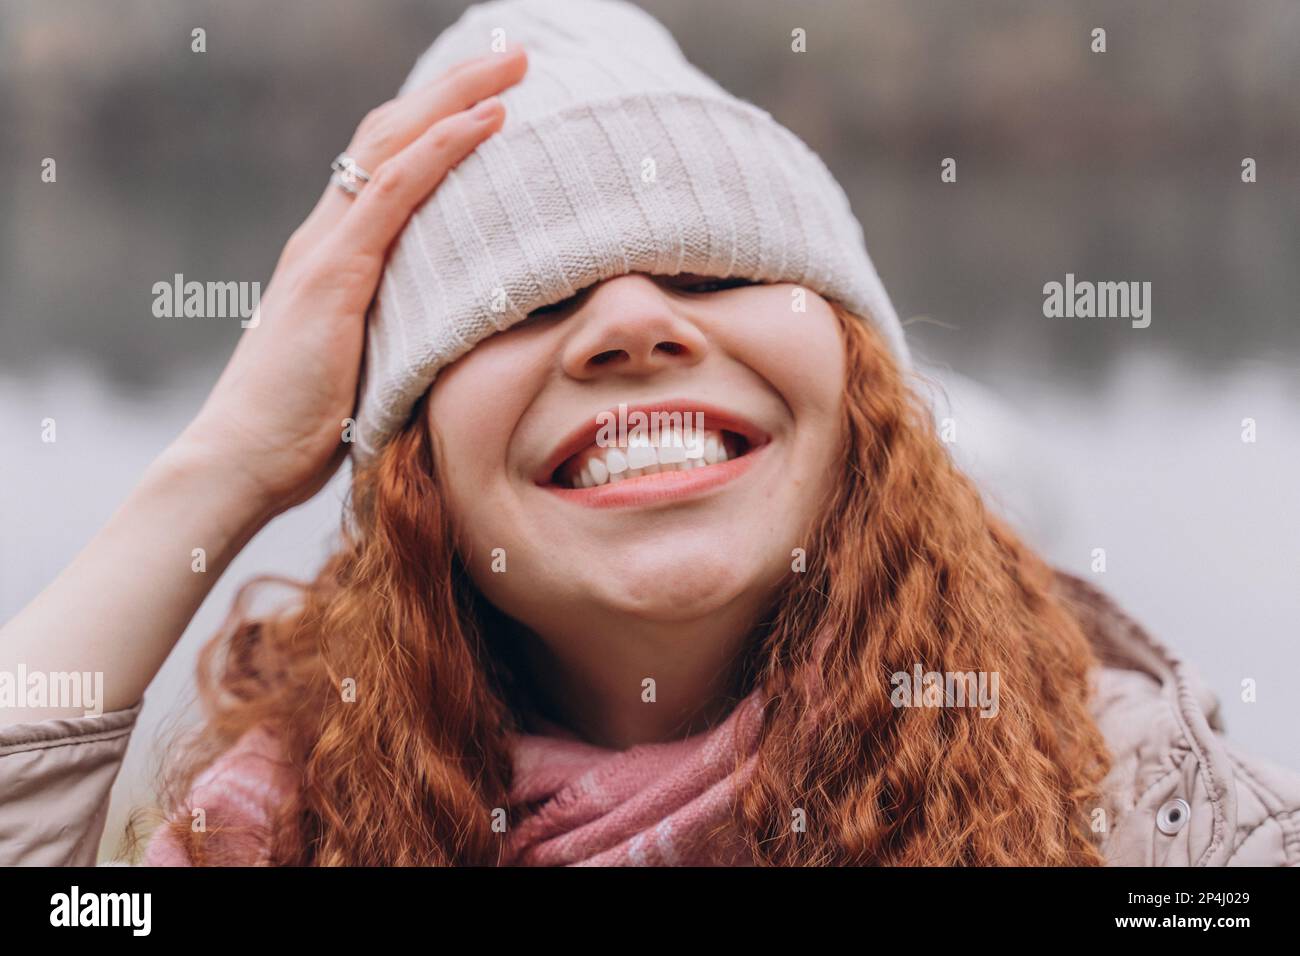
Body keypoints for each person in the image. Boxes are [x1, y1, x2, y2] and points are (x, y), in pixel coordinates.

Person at [2, 0, 1296, 867]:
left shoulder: (1135, 810)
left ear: (864, 396)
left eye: (716, 271)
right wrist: (218, 472)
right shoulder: (273, 834)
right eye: (530, 301)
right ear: (417, 473)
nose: (628, 321)